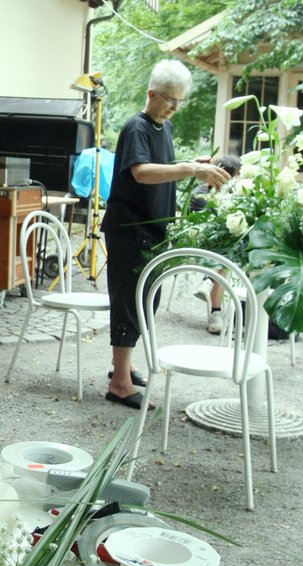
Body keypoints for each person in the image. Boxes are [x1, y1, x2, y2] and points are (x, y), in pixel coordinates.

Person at [101, 60, 230, 409]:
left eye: (180, 101)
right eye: (170, 99)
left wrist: (193, 161)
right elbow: (141, 172)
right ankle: (120, 384)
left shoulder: (163, 128)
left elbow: (160, 165)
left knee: (146, 301)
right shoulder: (136, 127)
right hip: (130, 228)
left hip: (153, 228)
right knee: (130, 302)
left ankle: (122, 368)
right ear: (152, 93)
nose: (175, 107)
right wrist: (190, 169)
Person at [188, 154, 242, 334]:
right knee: (224, 258)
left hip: (224, 248)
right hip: (200, 244)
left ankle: (208, 282)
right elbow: (209, 226)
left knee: (225, 253)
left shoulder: (237, 194)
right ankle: (215, 313)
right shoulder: (200, 194)